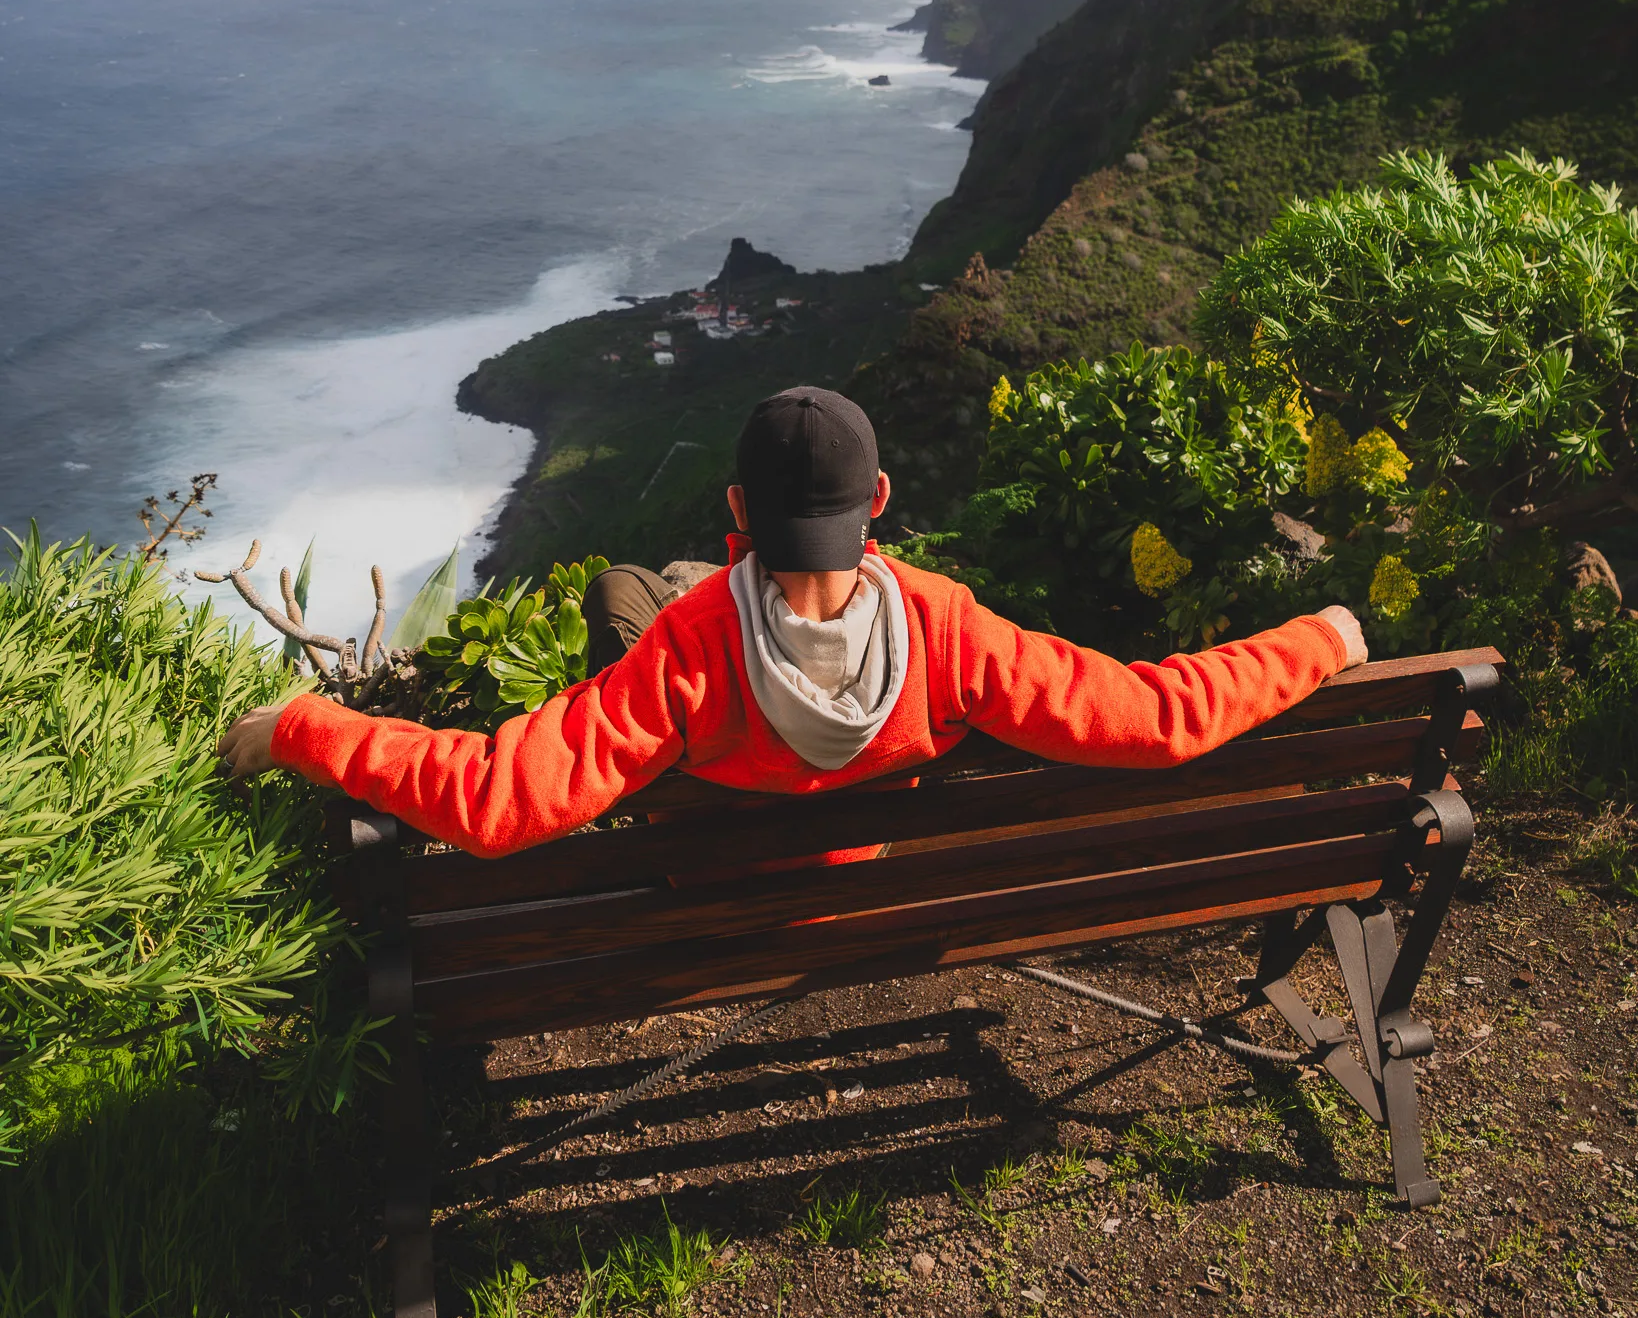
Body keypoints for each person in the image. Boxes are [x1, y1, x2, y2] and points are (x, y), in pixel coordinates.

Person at [219, 385, 1367, 855]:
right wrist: (1322, 636)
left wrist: (303, 725)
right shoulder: (949, 627)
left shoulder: (690, 649)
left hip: (713, 883)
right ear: (877, 502)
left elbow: (497, 800)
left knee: (627, 593)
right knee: (648, 594)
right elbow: (1159, 717)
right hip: (874, 877)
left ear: (735, 511)